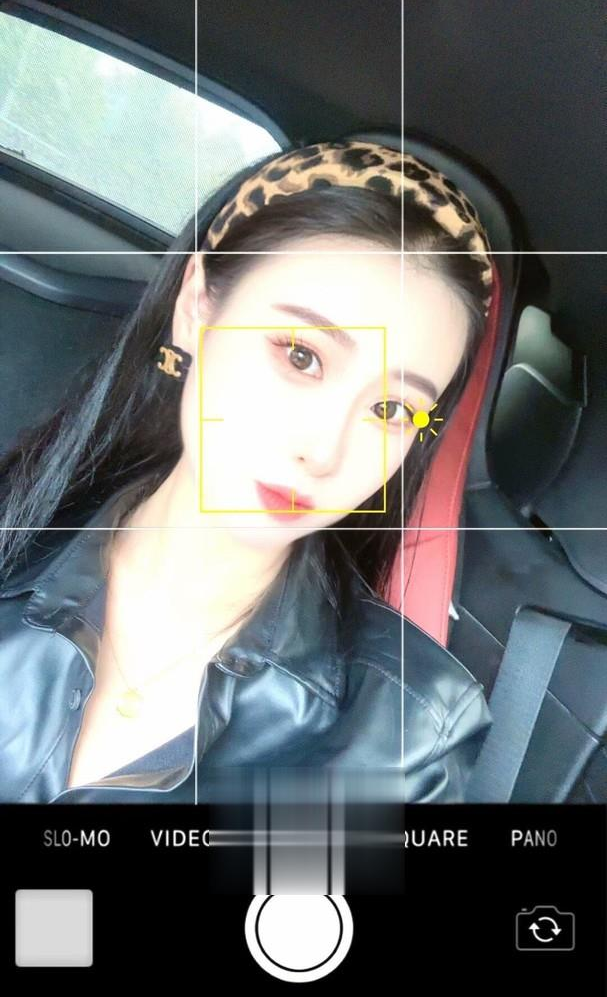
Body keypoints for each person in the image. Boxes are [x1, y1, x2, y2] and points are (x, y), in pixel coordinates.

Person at [0, 138, 494, 805]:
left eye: (390, 409)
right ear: (196, 310)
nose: (323, 451)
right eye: (300, 355)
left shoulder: (410, 733)